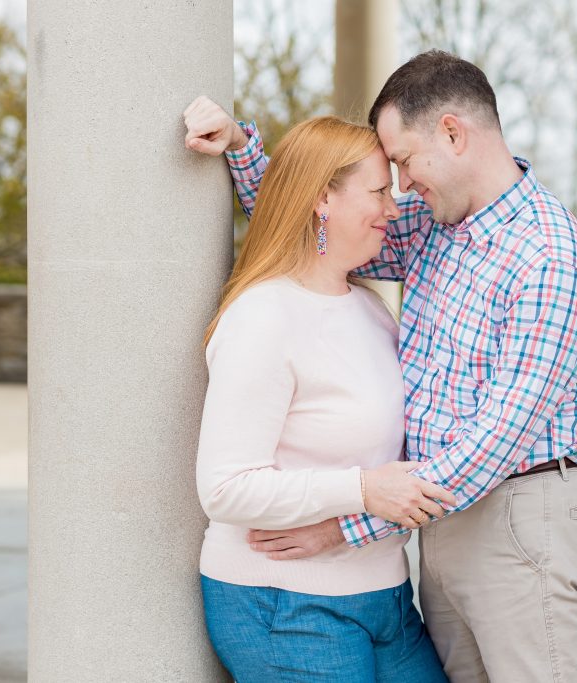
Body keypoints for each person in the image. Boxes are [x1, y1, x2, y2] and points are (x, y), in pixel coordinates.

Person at [186, 50, 577, 682]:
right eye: (392, 178)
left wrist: (349, 523)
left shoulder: (547, 255)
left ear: (453, 133)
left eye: (404, 163)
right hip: (431, 525)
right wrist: (240, 146)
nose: (401, 190)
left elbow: (497, 440)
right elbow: (313, 208)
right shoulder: (435, 225)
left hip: (516, 517)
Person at [192, 113, 453, 683]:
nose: (393, 208)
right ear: (321, 201)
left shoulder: (370, 308)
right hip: (283, 603)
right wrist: (362, 490)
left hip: (386, 598)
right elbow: (225, 488)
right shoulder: (263, 317)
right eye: (379, 191)